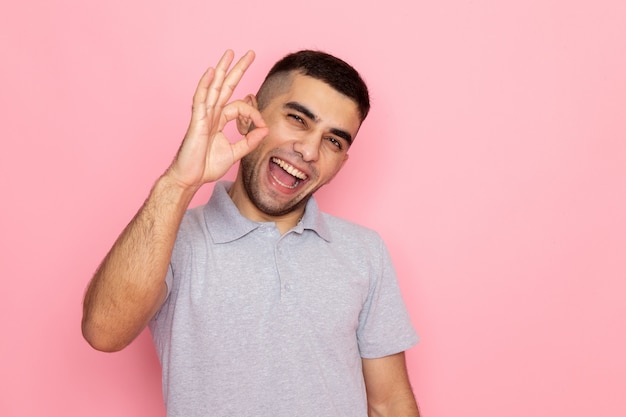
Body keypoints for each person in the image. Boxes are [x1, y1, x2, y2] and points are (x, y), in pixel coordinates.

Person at [82, 49, 420, 417]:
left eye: (333, 141)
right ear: (248, 117)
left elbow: (389, 403)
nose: (308, 150)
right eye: (298, 119)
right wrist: (179, 182)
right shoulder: (171, 239)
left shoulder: (364, 252)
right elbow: (103, 332)